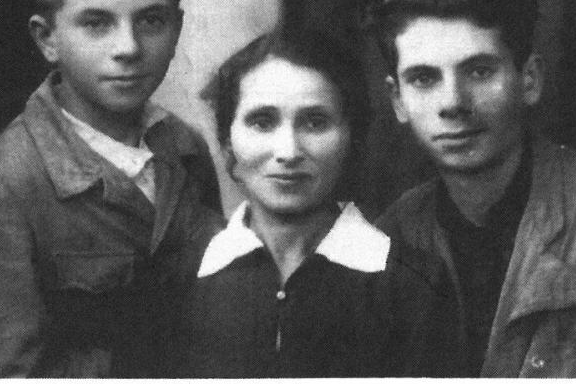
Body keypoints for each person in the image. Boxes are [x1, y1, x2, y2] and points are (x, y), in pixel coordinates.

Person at [0, 0, 223, 378]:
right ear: (47, 39)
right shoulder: (6, 182)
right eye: (97, 23)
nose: (128, 48)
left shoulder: (185, 149)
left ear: (177, 27)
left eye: (151, 20)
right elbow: (10, 372)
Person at [361, 0, 576, 377]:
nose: (453, 103)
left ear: (529, 80)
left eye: (479, 71)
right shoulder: (389, 239)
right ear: (397, 100)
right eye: (423, 78)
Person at [172, 27, 457, 377]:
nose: (289, 152)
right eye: (262, 122)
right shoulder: (179, 280)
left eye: (315, 122)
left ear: (351, 140)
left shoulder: (412, 285)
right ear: (228, 144)